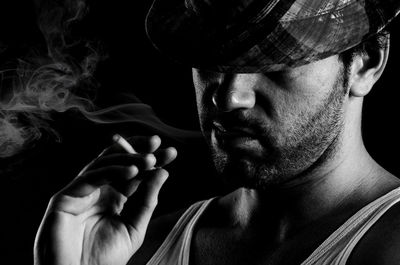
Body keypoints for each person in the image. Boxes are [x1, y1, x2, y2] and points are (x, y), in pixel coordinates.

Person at [34, 0, 400, 264]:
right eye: (212, 61)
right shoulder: (139, 248)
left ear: (366, 62)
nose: (228, 97)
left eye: (275, 64)